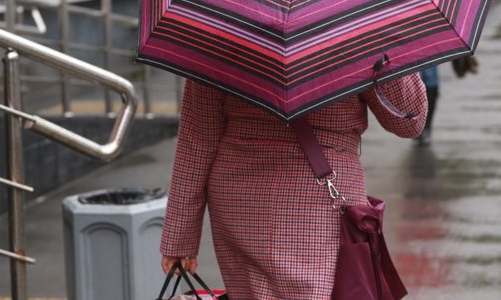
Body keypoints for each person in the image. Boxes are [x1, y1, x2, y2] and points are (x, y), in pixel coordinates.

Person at [160, 75, 428, 300]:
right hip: (323, 198)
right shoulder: (355, 26)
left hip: (240, 199)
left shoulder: (225, 25)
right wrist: (387, 42)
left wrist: (180, 238)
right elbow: (408, 121)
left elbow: (198, 137)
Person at [416, 65, 439, 147]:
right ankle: (420, 128)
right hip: (416, 83)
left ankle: (425, 128)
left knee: (429, 108)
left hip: (431, 83)